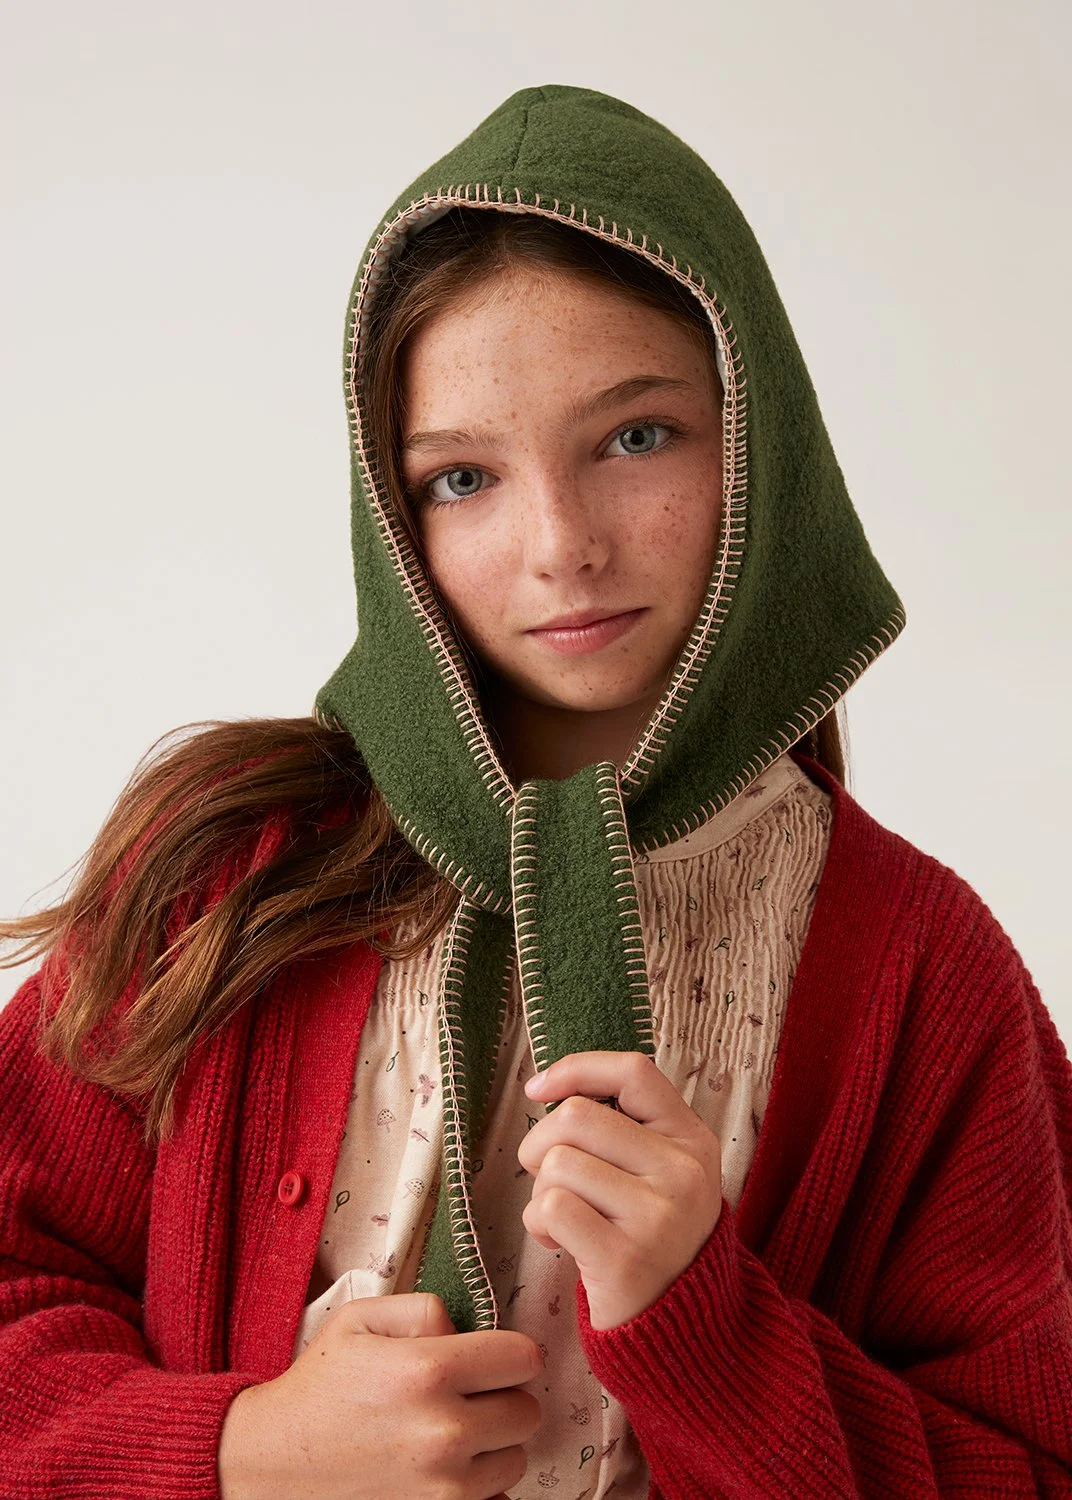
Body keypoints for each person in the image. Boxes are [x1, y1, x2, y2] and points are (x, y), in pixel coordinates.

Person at [0, 82, 1069, 1500]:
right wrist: (240, 1453)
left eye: (636, 438)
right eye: (461, 479)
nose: (561, 545)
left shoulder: (923, 976)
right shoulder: (225, 870)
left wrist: (707, 1327)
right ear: (390, 513)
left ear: (759, 446)